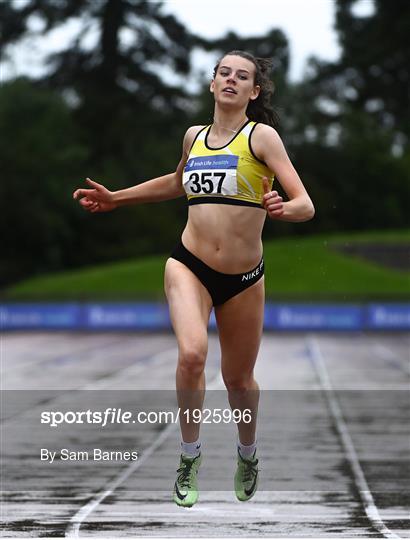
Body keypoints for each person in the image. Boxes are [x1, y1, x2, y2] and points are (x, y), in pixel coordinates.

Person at [73, 50, 315, 508]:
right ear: (212, 83)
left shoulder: (261, 138)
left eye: (242, 76)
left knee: (238, 381)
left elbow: (307, 204)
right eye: (224, 72)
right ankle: (189, 455)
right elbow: (178, 182)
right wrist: (116, 199)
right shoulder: (194, 136)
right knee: (191, 355)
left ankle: (247, 453)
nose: (231, 80)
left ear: (253, 91)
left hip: (244, 277)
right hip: (189, 263)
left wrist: (285, 209)